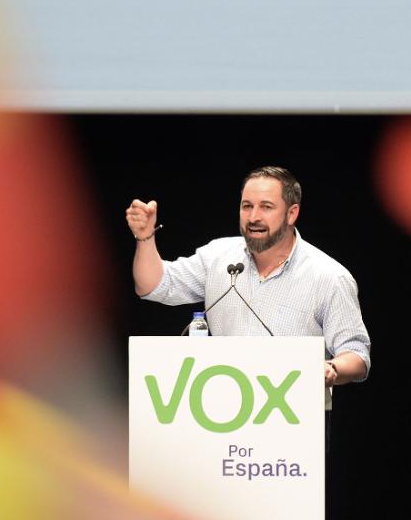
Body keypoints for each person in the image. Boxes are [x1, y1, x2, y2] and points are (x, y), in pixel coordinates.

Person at [125, 166, 370, 409]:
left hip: (293, 422)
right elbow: (154, 285)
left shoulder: (329, 276)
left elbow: (357, 355)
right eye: (247, 206)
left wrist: (331, 368)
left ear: (292, 213)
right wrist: (145, 237)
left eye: (266, 207)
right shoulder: (218, 257)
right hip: (220, 413)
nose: (253, 217)